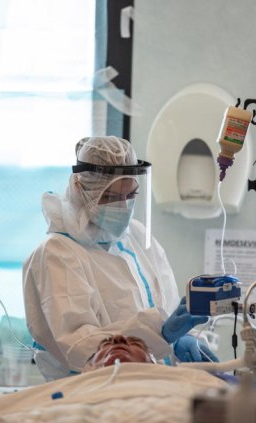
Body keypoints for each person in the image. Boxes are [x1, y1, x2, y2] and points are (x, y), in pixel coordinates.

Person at [23, 136, 218, 381]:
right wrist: (161, 334)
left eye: (130, 195)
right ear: (81, 189)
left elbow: (167, 309)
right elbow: (79, 345)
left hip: (152, 384)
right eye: (111, 197)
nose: (123, 207)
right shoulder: (58, 253)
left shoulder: (137, 237)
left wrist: (180, 339)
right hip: (90, 390)